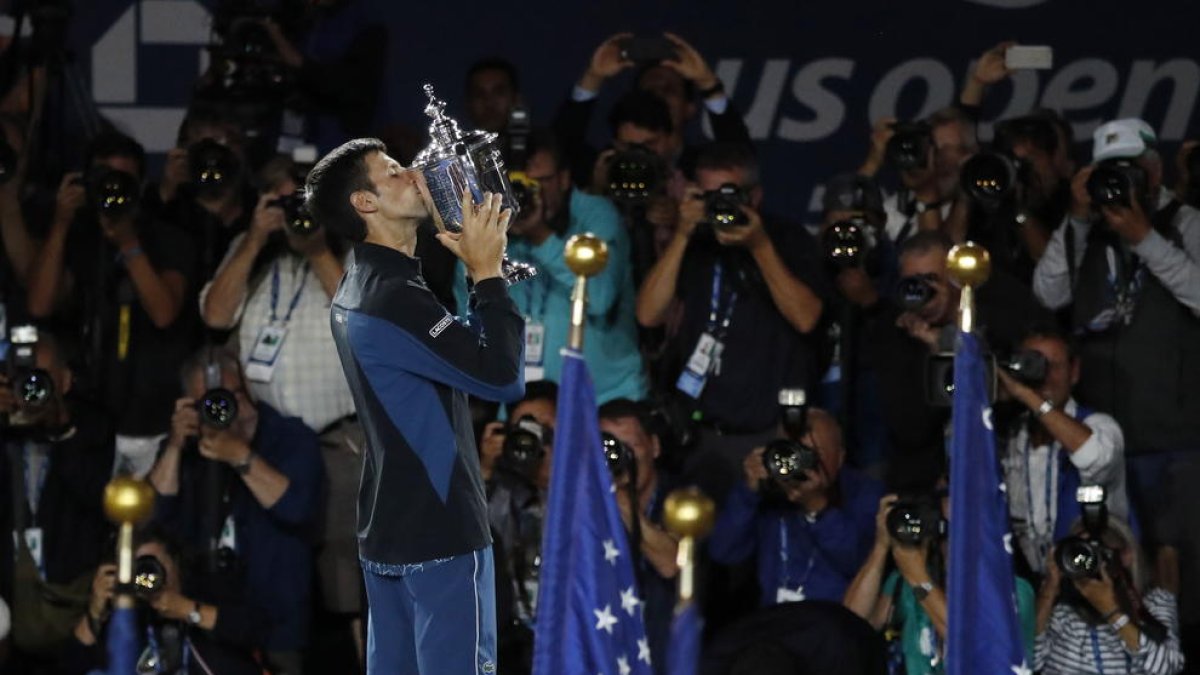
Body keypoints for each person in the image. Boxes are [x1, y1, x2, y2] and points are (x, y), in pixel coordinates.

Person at [307, 137, 524, 674]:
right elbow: (501, 378)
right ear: (366, 204)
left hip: (388, 533)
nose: (419, 175)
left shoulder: (362, 284)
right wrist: (487, 274)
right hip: (442, 533)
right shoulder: (395, 298)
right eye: (397, 173)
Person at [199, 156, 362, 643]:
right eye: (287, 202)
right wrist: (253, 238)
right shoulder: (249, 252)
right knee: (275, 571)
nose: (298, 213)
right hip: (267, 443)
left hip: (340, 442)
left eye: (307, 201)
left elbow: (362, 327)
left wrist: (315, 251)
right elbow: (214, 315)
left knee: (347, 586)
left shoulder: (354, 252)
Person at [636, 142, 829, 504]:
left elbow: (807, 319)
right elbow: (648, 314)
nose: (719, 206)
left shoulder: (787, 238)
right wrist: (681, 234)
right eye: (708, 195)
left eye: (729, 194)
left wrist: (759, 246)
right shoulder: (695, 242)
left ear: (754, 196)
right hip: (700, 434)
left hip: (767, 432)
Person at [25, 131, 197, 477]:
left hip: (154, 424)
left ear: (141, 184)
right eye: (103, 179)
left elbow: (164, 313)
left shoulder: (167, 237)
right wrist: (61, 221)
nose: (113, 190)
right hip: (89, 423)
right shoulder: (77, 236)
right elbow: (40, 305)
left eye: (123, 181)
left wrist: (128, 243)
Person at [148, 347, 323, 675]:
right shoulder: (188, 447)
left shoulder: (291, 438)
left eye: (231, 396)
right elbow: (156, 516)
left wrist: (240, 456)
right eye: (209, 402)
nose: (223, 409)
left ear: (247, 390)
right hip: (203, 618)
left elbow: (297, 509)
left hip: (275, 624)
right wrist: (173, 444)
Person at [454, 130, 645, 403]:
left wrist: (541, 235)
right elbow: (472, 324)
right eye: (519, 183)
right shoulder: (487, 229)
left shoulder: (595, 215)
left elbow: (600, 297)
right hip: (523, 402)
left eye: (542, 181)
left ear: (565, 178)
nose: (533, 192)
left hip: (604, 401)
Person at [866, 230, 1050, 488]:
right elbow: (910, 429)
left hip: (1002, 467)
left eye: (932, 280)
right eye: (912, 283)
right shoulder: (894, 330)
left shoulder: (1002, 312)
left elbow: (1010, 397)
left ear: (955, 278)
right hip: (926, 478)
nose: (923, 292)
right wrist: (934, 354)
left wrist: (948, 343)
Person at [0, 330, 115, 666]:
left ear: (65, 381)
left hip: (73, 603)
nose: (32, 390)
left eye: (42, 378)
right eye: (23, 379)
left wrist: (59, 428)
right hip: (11, 599)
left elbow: (99, 500)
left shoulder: (93, 428)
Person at [844, 491, 1037, 674]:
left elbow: (976, 649)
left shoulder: (1013, 591)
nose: (950, 537)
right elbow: (849, 622)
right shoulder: (911, 577)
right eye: (942, 524)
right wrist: (882, 545)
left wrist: (919, 580)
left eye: (962, 525)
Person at [707, 409, 882, 607]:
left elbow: (859, 564)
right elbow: (724, 552)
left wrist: (819, 509)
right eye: (791, 451)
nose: (799, 463)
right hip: (774, 621)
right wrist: (747, 493)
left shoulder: (864, 493)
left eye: (813, 454)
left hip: (834, 622)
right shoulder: (770, 491)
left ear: (840, 457)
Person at [996, 326, 1129, 578]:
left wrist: (1027, 395)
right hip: (1026, 582)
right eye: (1033, 364)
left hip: (1092, 582)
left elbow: (1092, 457)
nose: (1045, 376)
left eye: (1054, 366)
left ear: (1074, 371)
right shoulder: (1012, 435)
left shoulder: (1100, 426)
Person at [60, 524, 266, 675]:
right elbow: (71, 668)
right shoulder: (124, 614)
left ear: (174, 562)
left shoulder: (206, 589)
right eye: (137, 568)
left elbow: (253, 630)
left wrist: (189, 610)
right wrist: (95, 612)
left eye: (151, 564)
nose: (146, 576)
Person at [1034, 518, 1185, 674]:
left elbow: (1168, 667)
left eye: (1098, 551)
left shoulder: (1154, 603)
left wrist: (1112, 612)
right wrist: (1049, 588)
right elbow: (1028, 660)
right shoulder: (1061, 609)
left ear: (1126, 556)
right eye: (1083, 553)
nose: (1088, 561)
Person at [599, 398, 679, 672]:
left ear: (654, 447)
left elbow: (672, 564)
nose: (621, 457)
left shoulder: (682, 500)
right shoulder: (586, 506)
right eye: (610, 447)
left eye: (630, 446)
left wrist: (620, 499)